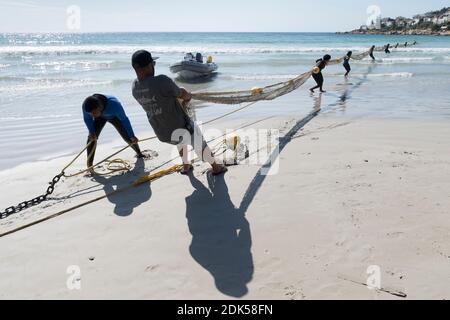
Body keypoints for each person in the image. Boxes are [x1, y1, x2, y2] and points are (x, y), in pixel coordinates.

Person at [131, 50, 227, 176]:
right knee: (196, 139)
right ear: (149, 65)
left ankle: (186, 166)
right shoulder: (161, 81)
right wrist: (186, 96)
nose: (154, 66)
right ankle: (215, 167)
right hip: (181, 128)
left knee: (178, 137)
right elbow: (183, 94)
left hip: (163, 134)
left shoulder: (134, 87)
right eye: (153, 63)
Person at [83, 94, 145, 174]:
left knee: (128, 137)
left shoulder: (114, 105)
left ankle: (139, 153)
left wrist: (132, 135)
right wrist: (91, 132)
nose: (92, 116)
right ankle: (90, 167)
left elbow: (124, 120)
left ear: (100, 106)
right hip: (100, 118)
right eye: (90, 114)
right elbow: (87, 119)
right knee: (91, 139)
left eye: (93, 113)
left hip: (114, 116)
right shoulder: (86, 106)